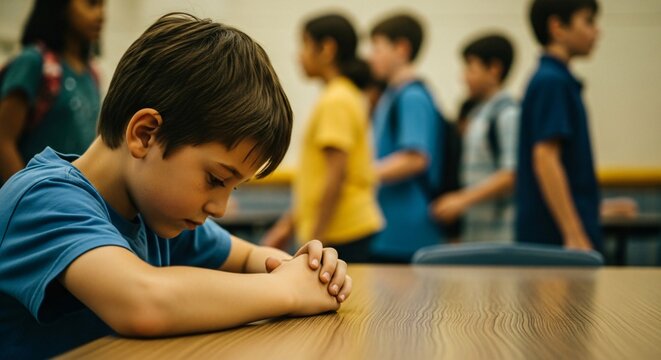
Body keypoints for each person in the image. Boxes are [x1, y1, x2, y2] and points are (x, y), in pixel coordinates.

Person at [0, 13, 351, 358]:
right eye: (215, 180)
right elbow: (143, 301)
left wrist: (309, 271)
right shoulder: (43, 199)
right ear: (145, 134)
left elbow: (248, 257)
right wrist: (286, 290)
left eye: (233, 188)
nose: (220, 208)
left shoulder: (153, 211)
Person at [262, 13, 383, 263]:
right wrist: (288, 225)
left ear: (327, 48)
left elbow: (334, 177)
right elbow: (317, 179)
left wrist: (315, 239)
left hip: (343, 231)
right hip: (342, 229)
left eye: (305, 45)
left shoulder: (336, 100)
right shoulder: (342, 95)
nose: (299, 55)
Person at [516, 0, 635, 253]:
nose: (597, 31)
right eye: (588, 21)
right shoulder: (552, 82)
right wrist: (574, 233)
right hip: (555, 241)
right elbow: (545, 158)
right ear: (557, 26)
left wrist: (597, 208)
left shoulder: (556, 80)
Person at [0, 0, 104, 184]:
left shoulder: (92, 75)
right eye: (91, 4)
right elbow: (3, 140)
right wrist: (26, 196)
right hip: (30, 201)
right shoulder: (34, 62)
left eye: (103, 5)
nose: (101, 15)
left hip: (69, 200)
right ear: (60, 6)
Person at [368, 13, 444, 263]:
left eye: (377, 48)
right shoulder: (392, 95)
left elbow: (415, 159)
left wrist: (361, 175)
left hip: (409, 231)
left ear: (401, 48)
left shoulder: (412, 97)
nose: (371, 56)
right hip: (392, 228)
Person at [432, 34, 519, 244]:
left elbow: (511, 175)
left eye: (471, 68)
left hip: (502, 235)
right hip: (478, 233)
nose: (464, 78)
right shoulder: (479, 114)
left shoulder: (508, 114)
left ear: (494, 69)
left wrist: (462, 200)